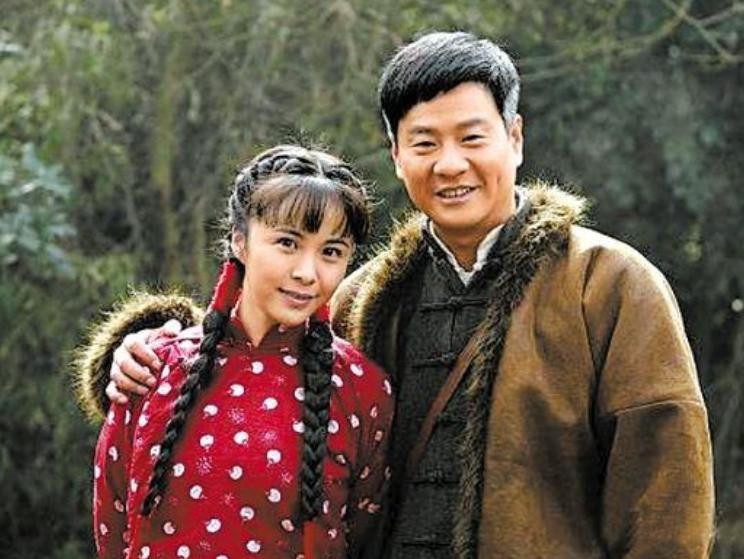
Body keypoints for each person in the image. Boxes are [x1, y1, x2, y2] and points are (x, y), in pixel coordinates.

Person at [76, 32, 715, 558]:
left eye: (472, 138)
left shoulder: (607, 285)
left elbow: (668, 501)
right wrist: (144, 350)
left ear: (515, 138)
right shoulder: (362, 298)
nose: (450, 164)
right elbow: (254, 366)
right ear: (396, 155)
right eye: (425, 143)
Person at [84, 145, 394, 559]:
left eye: (331, 252)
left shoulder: (362, 390)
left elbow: (365, 536)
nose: (307, 272)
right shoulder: (151, 368)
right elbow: (113, 526)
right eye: (287, 243)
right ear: (240, 241)